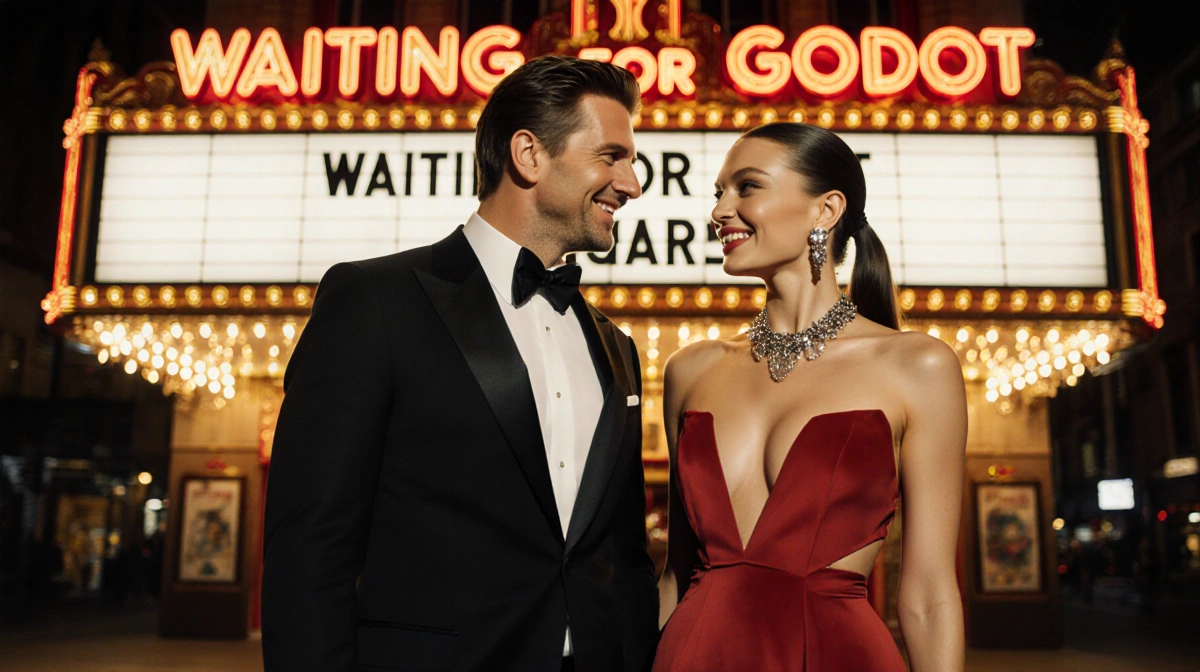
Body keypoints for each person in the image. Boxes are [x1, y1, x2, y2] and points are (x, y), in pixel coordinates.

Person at [261, 55, 659, 672]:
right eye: (612, 157)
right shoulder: (377, 302)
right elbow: (311, 548)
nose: (633, 185)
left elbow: (624, 557)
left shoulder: (615, 348)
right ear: (528, 155)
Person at [653, 123, 966, 671]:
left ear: (825, 211)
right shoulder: (691, 369)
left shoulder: (919, 366)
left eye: (747, 187)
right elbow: (677, 575)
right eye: (718, 193)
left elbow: (930, 595)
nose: (720, 211)